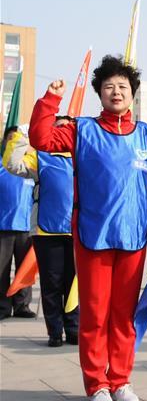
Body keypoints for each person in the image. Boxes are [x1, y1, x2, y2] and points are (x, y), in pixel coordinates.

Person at [28, 55, 147, 401]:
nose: (116, 92)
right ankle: (97, 384)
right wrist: (50, 100)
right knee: (95, 315)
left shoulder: (145, 134)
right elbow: (41, 137)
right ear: (100, 92)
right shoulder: (82, 129)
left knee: (124, 315)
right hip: (93, 235)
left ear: (133, 94)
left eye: (123, 87)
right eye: (109, 86)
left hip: (132, 238)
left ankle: (121, 380)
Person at [3, 119, 79, 346]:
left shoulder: (82, 158)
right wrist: (20, 137)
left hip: (77, 232)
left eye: (66, 128)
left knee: (74, 283)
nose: (62, 131)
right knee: (51, 283)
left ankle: (74, 329)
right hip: (47, 231)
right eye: (57, 127)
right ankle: (54, 332)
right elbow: (12, 165)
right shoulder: (40, 156)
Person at [0, 126, 36, 320]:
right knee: (1, 269)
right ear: (5, 142)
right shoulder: (2, 166)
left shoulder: (29, 167)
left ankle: (22, 305)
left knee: (25, 269)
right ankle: (2, 307)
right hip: (3, 226)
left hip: (26, 227)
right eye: (10, 138)